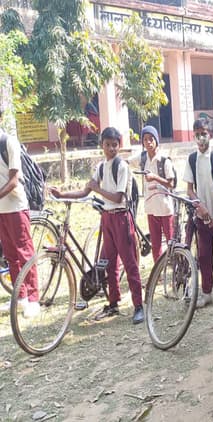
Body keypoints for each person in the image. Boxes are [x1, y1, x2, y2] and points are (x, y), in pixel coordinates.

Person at [49, 127, 144, 323]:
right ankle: (113, 302)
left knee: (130, 263)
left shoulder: (122, 167)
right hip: (107, 218)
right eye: (107, 145)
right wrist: (62, 194)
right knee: (110, 264)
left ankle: (139, 306)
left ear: (119, 145)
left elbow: (118, 198)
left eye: (114, 145)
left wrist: (97, 189)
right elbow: (85, 191)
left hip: (121, 217)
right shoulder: (101, 167)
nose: (111, 148)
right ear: (102, 145)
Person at [185, 119, 213, 308]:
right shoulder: (192, 159)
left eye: (204, 133)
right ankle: (207, 291)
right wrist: (199, 207)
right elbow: (190, 189)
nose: (201, 137)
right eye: (197, 134)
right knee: (204, 255)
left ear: (210, 134)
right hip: (202, 217)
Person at [0, 120, 39, 317]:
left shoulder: (8, 142)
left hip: (15, 206)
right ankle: (20, 296)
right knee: (10, 256)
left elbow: (14, 180)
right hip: (2, 210)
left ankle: (33, 299)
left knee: (24, 253)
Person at [133, 126, 175, 263]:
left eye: (151, 139)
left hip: (165, 207)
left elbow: (171, 183)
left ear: (156, 140)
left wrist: (155, 178)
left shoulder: (164, 160)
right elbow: (127, 162)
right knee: (155, 244)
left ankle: (175, 266)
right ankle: (158, 268)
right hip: (151, 207)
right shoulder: (142, 158)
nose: (148, 142)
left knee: (171, 241)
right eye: (145, 140)